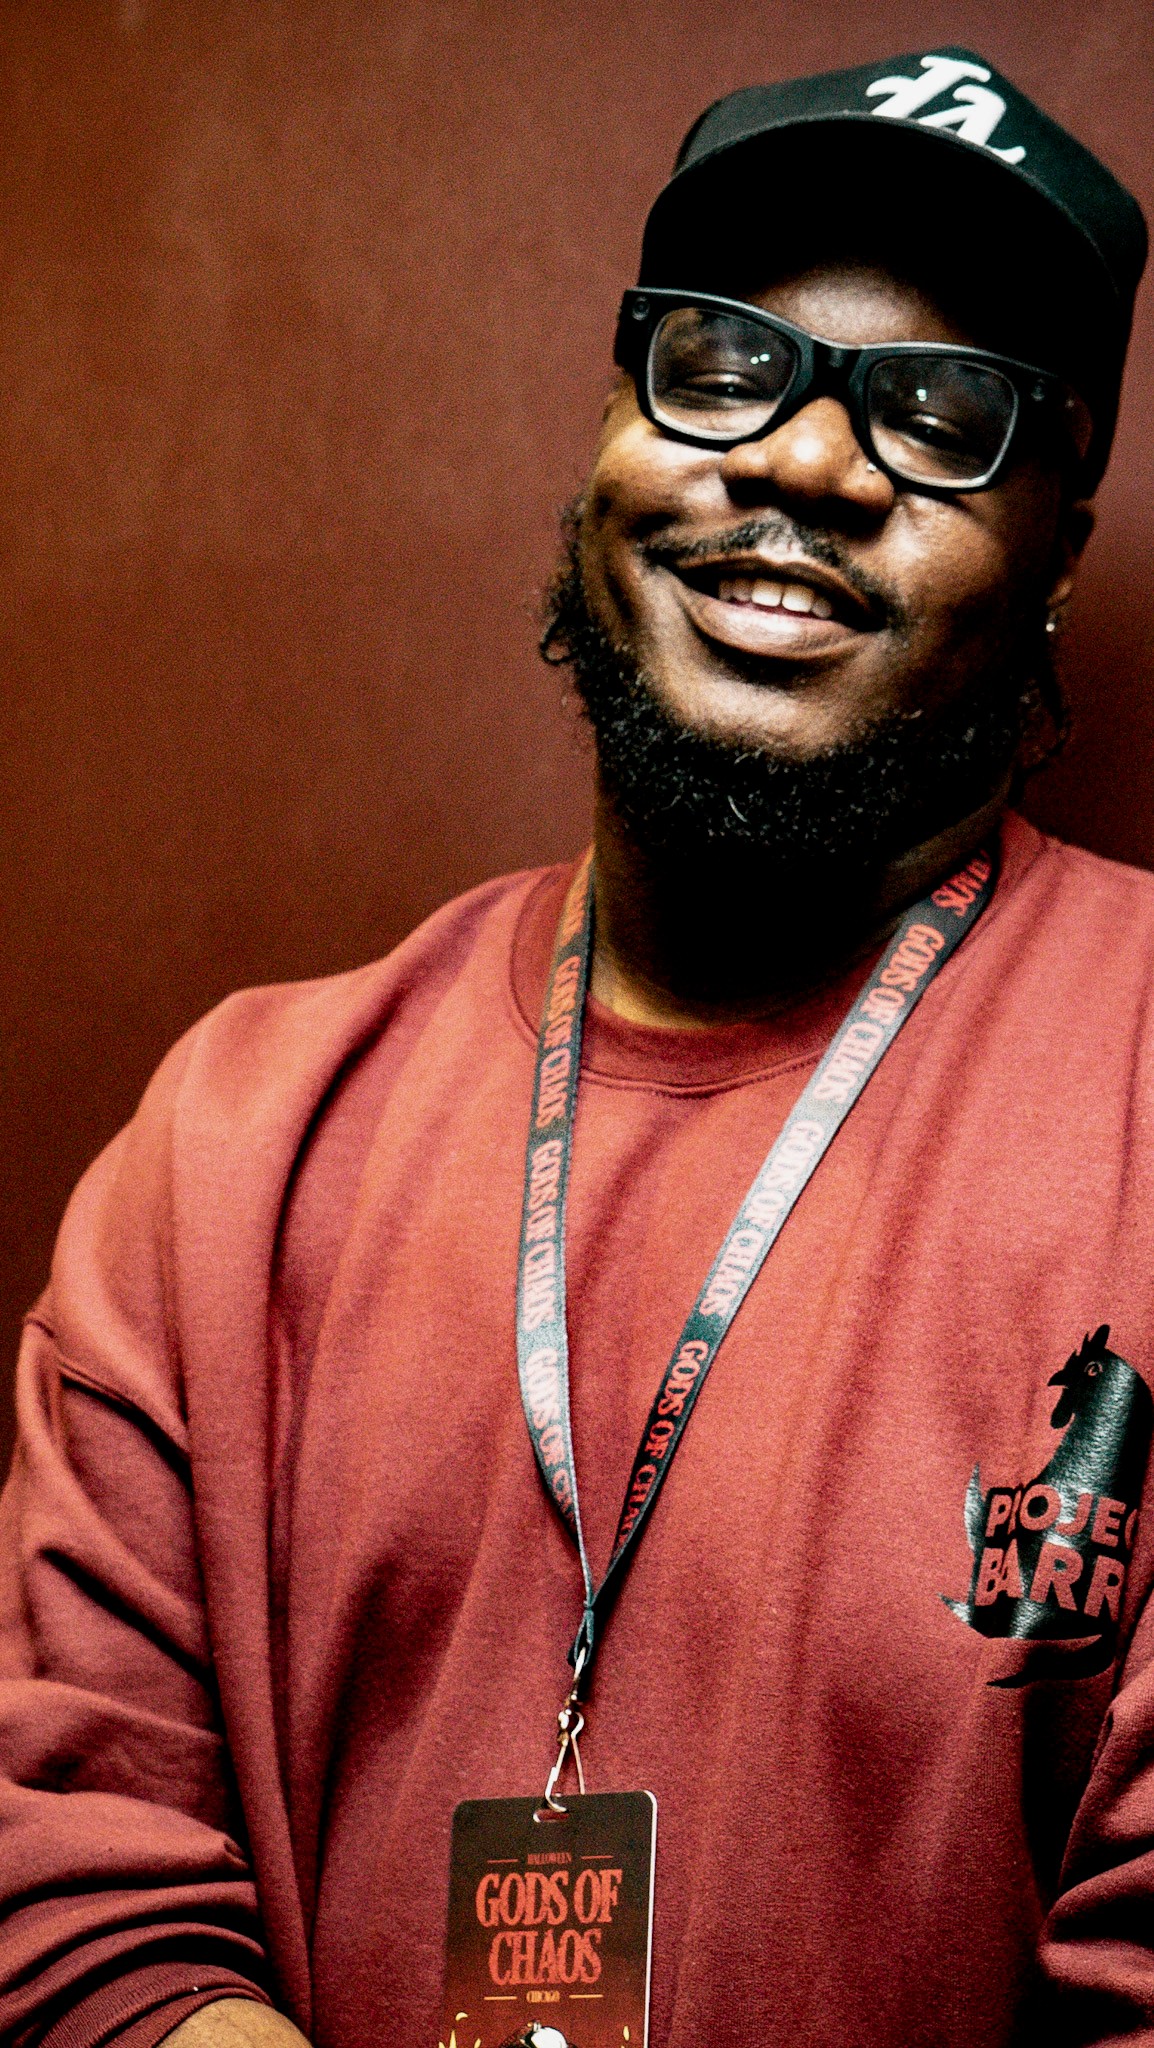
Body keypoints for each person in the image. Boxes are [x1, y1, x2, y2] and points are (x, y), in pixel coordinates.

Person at [1, 43, 1152, 2048]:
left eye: (941, 413)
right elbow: (76, 1891)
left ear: (1059, 534)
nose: (799, 461)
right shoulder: (233, 1144)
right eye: (720, 362)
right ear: (611, 425)